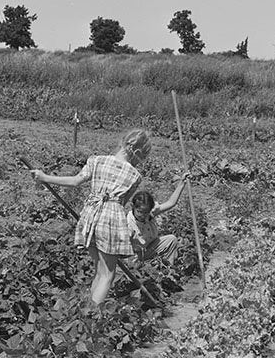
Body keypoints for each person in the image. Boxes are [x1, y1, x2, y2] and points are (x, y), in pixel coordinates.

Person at [30, 128, 149, 306]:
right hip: (111, 220)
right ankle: (92, 318)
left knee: (99, 271)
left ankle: (86, 311)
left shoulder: (97, 160)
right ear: (139, 153)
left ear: (123, 141)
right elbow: (121, 204)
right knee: (108, 274)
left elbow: (75, 181)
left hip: (90, 217)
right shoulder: (135, 175)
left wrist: (45, 177)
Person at [127, 175, 188, 266]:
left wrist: (182, 183)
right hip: (136, 256)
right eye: (139, 212)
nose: (143, 215)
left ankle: (166, 269)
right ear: (133, 207)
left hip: (150, 248)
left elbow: (171, 203)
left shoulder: (149, 214)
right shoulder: (128, 224)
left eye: (146, 212)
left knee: (171, 239)